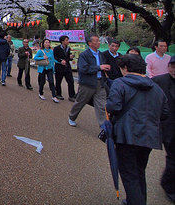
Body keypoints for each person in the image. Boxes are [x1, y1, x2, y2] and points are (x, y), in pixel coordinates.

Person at [106, 54, 169, 205]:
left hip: (126, 135)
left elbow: (113, 106)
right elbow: (165, 113)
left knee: (129, 175)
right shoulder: (156, 87)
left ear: (125, 68)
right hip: (149, 137)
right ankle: (138, 200)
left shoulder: (120, 83)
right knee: (139, 172)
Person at [68, 34, 110, 127]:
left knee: (102, 106)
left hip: (100, 83)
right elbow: (83, 69)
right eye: (96, 41)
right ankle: (72, 117)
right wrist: (99, 67)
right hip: (87, 84)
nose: (98, 42)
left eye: (99, 40)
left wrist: (105, 69)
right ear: (90, 43)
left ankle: (104, 127)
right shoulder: (84, 55)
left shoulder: (101, 54)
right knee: (80, 102)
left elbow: (102, 67)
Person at [153, 56, 175, 202]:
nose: (174, 70)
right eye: (172, 66)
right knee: (173, 157)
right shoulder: (159, 81)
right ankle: (169, 186)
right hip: (168, 126)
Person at [34, 38, 59, 102]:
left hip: (50, 68)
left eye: (48, 42)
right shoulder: (41, 51)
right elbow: (35, 57)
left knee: (51, 81)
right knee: (42, 82)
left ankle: (54, 96)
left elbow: (53, 59)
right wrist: (43, 57)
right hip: (43, 68)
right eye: (46, 42)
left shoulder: (51, 51)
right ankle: (41, 93)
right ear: (43, 44)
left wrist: (60, 62)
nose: (47, 44)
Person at [53, 35, 76, 102]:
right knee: (58, 81)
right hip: (59, 67)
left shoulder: (68, 48)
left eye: (68, 40)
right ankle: (58, 94)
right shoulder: (56, 48)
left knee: (71, 81)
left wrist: (70, 57)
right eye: (66, 40)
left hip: (67, 67)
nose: (68, 41)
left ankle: (72, 96)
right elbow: (54, 57)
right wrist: (60, 61)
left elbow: (68, 57)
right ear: (62, 41)